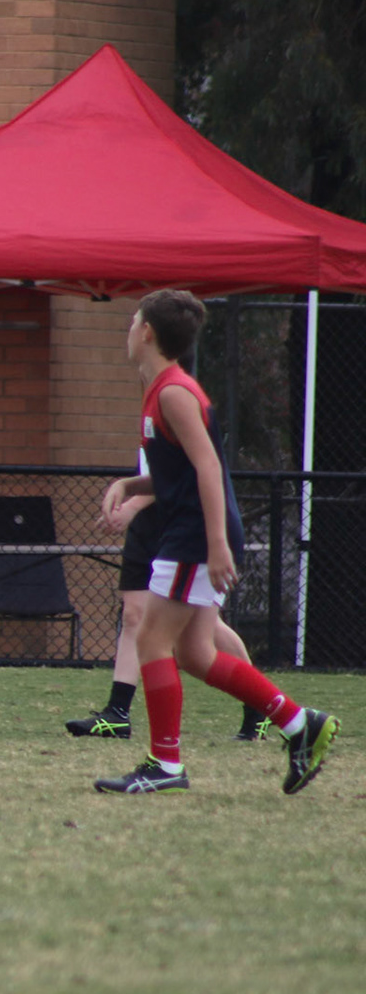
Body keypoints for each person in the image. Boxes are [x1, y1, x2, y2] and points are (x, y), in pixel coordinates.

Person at [94, 289, 337, 794]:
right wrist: (130, 485)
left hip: (192, 536)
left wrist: (216, 543)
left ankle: (165, 765)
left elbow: (209, 467)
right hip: (192, 532)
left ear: (147, 333)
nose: (129, 329)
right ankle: (300, 724)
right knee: (196, 654)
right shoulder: (161, 389)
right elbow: (179, 473)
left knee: (151, 639)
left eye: (133, 321)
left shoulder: (173, 392)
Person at [66, 478, 268, 742]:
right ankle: (117, 712)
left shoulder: (191, 449)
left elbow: (183, 473)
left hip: (182, 524)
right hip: (147, 526)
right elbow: (158, 471)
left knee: (199, 637)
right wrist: (126, 487)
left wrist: (131, 502)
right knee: (134, 615)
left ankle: (262, 704)